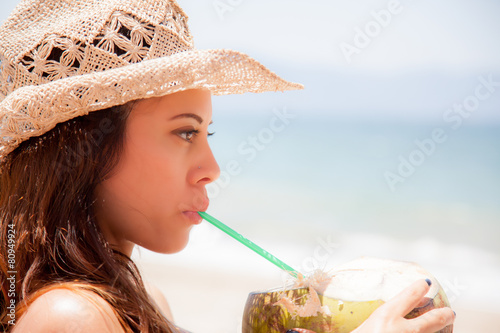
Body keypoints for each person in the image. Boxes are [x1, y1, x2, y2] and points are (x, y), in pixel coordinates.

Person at [0, 0, 455, 332]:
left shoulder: (141, 302)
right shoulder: (71, 318)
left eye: (208, 133)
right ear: (87, 149)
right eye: (185, 132)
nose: (211, 168)